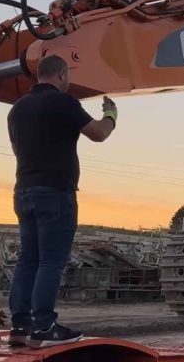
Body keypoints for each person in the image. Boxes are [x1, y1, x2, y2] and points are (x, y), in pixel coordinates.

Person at [7, 54, 117, 347]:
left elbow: (19, 149)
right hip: (55, 193)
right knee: (51, 262)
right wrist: (111, 115)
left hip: (24, 190)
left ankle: (20, 326)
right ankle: (44, 326)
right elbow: (99, 134)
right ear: (62, 75)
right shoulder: (62, 102)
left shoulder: (17, 109)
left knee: (28, 260)